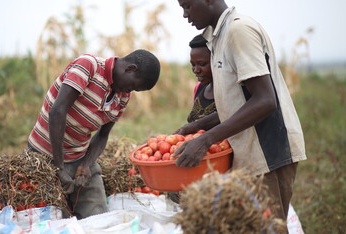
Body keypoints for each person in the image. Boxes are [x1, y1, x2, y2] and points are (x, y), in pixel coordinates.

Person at [174, 0, 307, 223]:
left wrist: (206, 140)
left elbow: (265, 101)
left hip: (268, 152)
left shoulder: (238, 30)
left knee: (268, 227)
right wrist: (197, 126)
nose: (185, 15)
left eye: (188, 5)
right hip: (251, 154)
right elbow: (239, 104)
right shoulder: (217, 38)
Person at [28, 49, 160, 219]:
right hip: (45, 156)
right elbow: (57, 112)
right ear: (130, 68)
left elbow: (102, 136)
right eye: (133, 86)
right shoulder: (89, 66)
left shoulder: (122, 97)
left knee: (98, 219)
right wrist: (59, 168)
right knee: (53, 221)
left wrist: (86, 164)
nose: (130, 91)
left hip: (78, 159)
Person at [168, 34, 218, 204]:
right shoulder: (199, 88)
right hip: (197, 161)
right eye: (193, 65)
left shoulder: (228, 92)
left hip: (217, 164)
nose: (196, 70)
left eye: (202, 64)